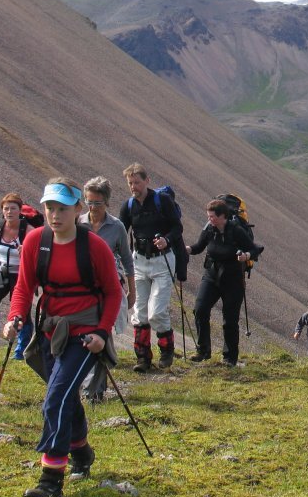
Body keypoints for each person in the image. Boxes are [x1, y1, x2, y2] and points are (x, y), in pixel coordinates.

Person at [2, 177, 122, 497]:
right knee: (66, 396)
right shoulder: (35, 241)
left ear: (78, 209)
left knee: (55, 398)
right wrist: (15, 317)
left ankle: (51, 479)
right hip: (50, 332)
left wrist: (102, 333)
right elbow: (24, 287)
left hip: (85, 335)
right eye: (50, 208)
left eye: (63, 209)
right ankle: (82, 452)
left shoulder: (94, 246)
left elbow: (113, 293)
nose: (55, 215)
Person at [118, 163, 182, 372]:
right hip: (139, 261)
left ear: (147, 181)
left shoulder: (162, 201)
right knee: (140, 311)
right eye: (130, 183)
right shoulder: (128, 206)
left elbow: (177, 227)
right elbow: (121, 232)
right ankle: (143, 358)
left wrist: (167, 240)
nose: (133, 187)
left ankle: (166, 350)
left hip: (162, 260)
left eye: (137, 182)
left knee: (157, 312)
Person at [78, 177, 136, 401]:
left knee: (102, 333)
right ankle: (88, 385)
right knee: (85, 332)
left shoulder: (116, 227)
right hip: (82, 288)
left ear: (107, 202)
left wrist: (132, 292)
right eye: (89, 202)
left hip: (108, 287)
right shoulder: (78, 224)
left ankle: (95, 390)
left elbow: (127, 260)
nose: (93, 208)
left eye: (98, 203)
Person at [186, 199, 256, 367]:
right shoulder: (209, 230)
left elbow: (254, 249)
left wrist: (246, 256)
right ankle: (203, 351)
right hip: (211, 276)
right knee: (200, 310)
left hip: (233, 280)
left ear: (223, 216)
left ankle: (229, 358)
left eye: (212, 217)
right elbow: (199, 246)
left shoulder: (236, 231)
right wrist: (188, 249)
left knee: (230, 319)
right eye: (208, 216)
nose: (209, 219)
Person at [0, 193, 37, 360]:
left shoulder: (28, 231)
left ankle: (22, 351)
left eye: (13, 208)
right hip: (1, 273)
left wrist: (26, 251)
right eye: (6, 208)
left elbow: (38, 256)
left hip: (21, 275)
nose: (9, 212)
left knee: (22, 312)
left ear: (20, 211)